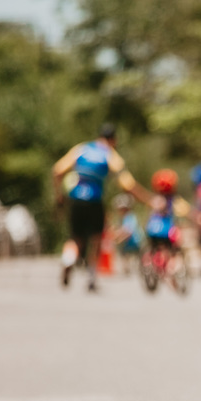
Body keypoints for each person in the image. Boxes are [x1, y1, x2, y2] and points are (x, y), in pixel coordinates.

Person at [51, 123, 146, 292]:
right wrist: (146, 198)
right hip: (95, 201)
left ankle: (68, 260)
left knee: (75, 238)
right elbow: (127, 183)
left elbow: (57, 171)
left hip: (76, 199)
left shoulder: (81, 149)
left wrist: (59, 196)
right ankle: (92, 278)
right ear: (113, 140)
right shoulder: (110, 154)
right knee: (96, 239)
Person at [111, 193, 142, 276]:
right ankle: (126, 267)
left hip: (135, 241)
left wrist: (117, 236)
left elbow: (128, 231)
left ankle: (130, 267)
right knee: (123, 251)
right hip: (128, 242)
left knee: (123, 249)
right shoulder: (123, 218)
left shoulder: (130, 217)